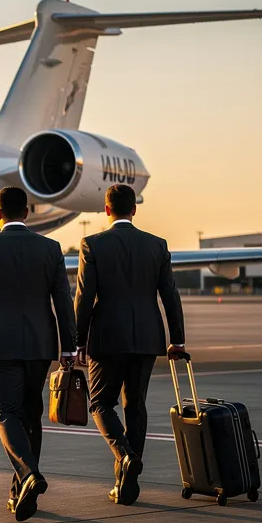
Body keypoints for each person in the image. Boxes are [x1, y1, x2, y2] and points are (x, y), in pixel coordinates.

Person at [0, 186, 75, 521]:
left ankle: (28, 475)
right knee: (30, 414)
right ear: (27, 213)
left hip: (0, 344)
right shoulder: (50, 248)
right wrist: (68, 346)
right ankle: (23, 495)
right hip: (40, 345)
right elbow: (63, 301)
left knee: (5, 413)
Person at [75, 183, 186, 506]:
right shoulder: (156, 245)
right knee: (135, 405)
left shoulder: (93, 244)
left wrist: (76, 342)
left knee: (100, 404)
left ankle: (124, 455)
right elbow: (170, 295)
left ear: (106, 210)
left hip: (107, 337)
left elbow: (83, 298)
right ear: (134, 209)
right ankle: (127, 485)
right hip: (147, 336)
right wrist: (176, 339)